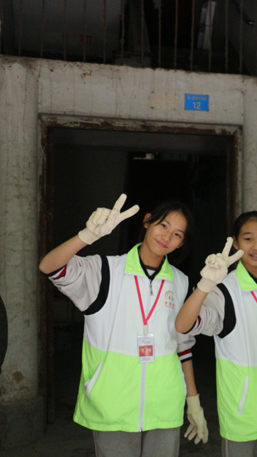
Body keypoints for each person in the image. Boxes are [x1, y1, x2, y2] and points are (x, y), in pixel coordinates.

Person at [38, 194, 209, 457]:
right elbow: (49, 267)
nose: (167, 236)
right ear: (147, 221)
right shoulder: (105, 271)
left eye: (177, 234)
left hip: (164, 406)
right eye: (163, 225)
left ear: (181, 243)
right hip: (112, 406)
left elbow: (183, 346)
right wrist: (87, 236)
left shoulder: (180, 282)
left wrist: (193, 401)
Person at [176, 211, 257, 457]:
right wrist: (205, 285)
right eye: (248, 239)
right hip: (244, 416)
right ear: (235, 243)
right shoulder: (224, 290)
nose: (256, 246)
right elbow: (183, 325)